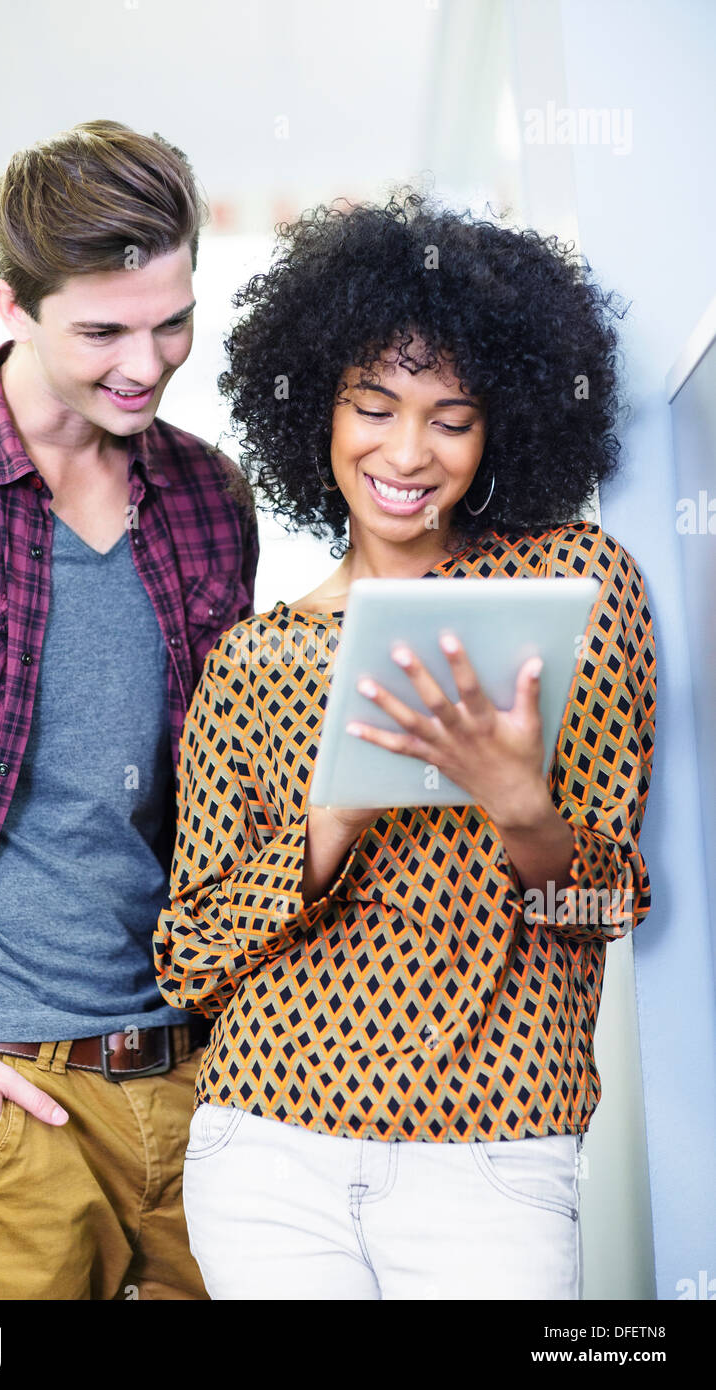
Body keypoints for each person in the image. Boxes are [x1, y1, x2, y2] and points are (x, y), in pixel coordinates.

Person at [153, 191, 656, 1300]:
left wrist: (518, 808)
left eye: (450, 417)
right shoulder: (253, 656)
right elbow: (187, 957)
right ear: (318, 416)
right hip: (268, 1143)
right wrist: (327, 824)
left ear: (500, 425)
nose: (406, 452)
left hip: (491, 1149)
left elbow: (607, 909)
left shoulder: (571, 585)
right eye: (371, 406)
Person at [0, 119, 258, 1300]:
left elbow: (220, 798)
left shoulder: (205, 496)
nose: (147, 361)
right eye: (102, 331)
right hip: (1, 1102)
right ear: (9, 305)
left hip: (197, 1088)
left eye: (171, 318)